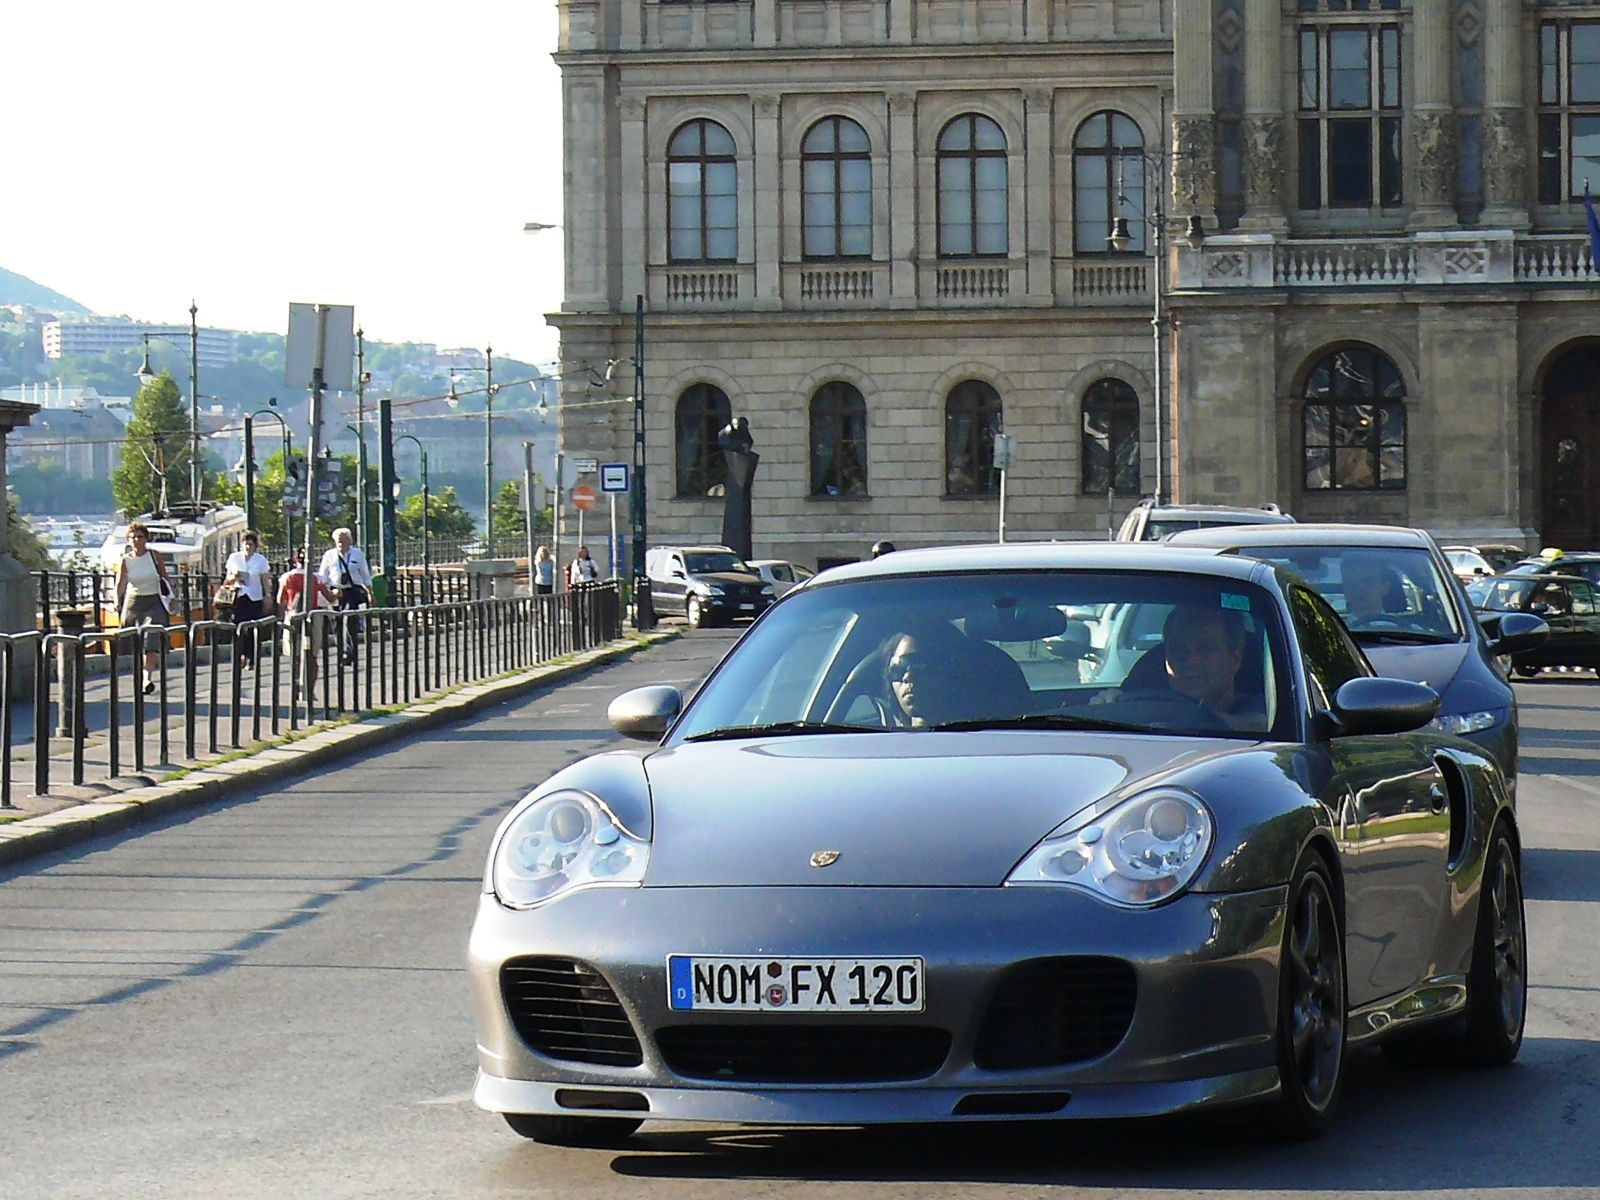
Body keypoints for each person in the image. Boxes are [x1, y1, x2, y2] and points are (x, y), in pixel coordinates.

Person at [1105, 607, 1263, 731]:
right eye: (1179, 649)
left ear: (1234, 660)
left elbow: (1258, 724)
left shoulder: (1267, 709)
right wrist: (1110, 707)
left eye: (1205, 648)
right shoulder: (1138, 709)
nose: (1191, 659)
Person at [114, 521, 173, 695]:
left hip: (154, 601)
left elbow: (164, 576)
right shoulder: (125, 560)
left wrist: (172, 597)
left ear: (146, 539)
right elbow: (120, 583)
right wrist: (117, 601)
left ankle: (147, 677)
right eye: (132, 537)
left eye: (139, 537)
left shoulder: (154, 556)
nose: (136, 540)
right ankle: (140, 673)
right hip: (133, 603)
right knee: (132, 640)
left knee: (151, 639)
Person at [277, 549, 337, 700]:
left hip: (292, 616)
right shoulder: (316, 577)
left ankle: (297, 685)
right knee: (312, 655)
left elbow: (280, 599)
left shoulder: (287, 577)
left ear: (295, 560)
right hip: (313, 616)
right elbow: (329, 598)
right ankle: (309, 689)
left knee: (294, 655)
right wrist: (337, 594)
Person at [317, 528, 372, 666]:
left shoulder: (357, 554)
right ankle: (341, 651)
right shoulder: (329, 555)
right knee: (336, 622)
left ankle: (349, 651)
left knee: (349, 619)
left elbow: (365, 574)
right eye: (337, 540)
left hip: (351, 591)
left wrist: (370, 592)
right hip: (336, 591)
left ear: (349, 540)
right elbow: (322, 574)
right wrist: (326, 590)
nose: (340, 542)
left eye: (343, 539)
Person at [223, 530, 272, 670]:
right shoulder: (234, 558)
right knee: (238, 627)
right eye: (245, 544)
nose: (247, 547)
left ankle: (251, 658)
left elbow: (264, 579)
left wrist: (267, 595)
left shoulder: (260, 560)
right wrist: (235, 577)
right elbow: (227, 579)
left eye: (250, 544)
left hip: (254, 597)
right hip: (238, 596)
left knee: (251, 629)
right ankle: (241, 655)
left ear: (255, 546)